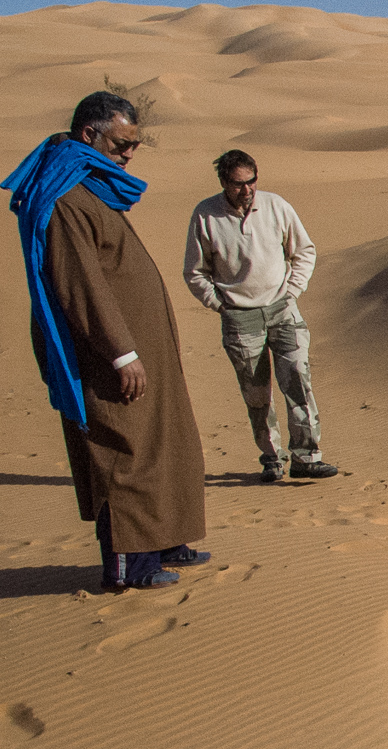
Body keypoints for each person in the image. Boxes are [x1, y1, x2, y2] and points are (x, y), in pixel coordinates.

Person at [4, 92, 211, 590]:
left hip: (143, 349)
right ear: (88, 135)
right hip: (112, 354)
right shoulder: (64, 195)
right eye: (121, 143)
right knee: (125, 450)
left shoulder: (89, 186)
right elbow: (80, 284)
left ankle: (165, 539)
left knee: (165, 441)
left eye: (135, 144)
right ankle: (129, 564)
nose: (129, 153)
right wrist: (121, 351)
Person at [183, 149, 336, 483]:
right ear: (224, 182)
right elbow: (195, 272)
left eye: (251, 181)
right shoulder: (206, 215)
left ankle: (307, 457)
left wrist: (293, 290)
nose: (246, 190)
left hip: (283, 310)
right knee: (257, 393)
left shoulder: (276, 206)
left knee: (297, 378)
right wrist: (219, 304)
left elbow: (304, 251)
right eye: (238, 184)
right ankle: (271, 458)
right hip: (240, 318)